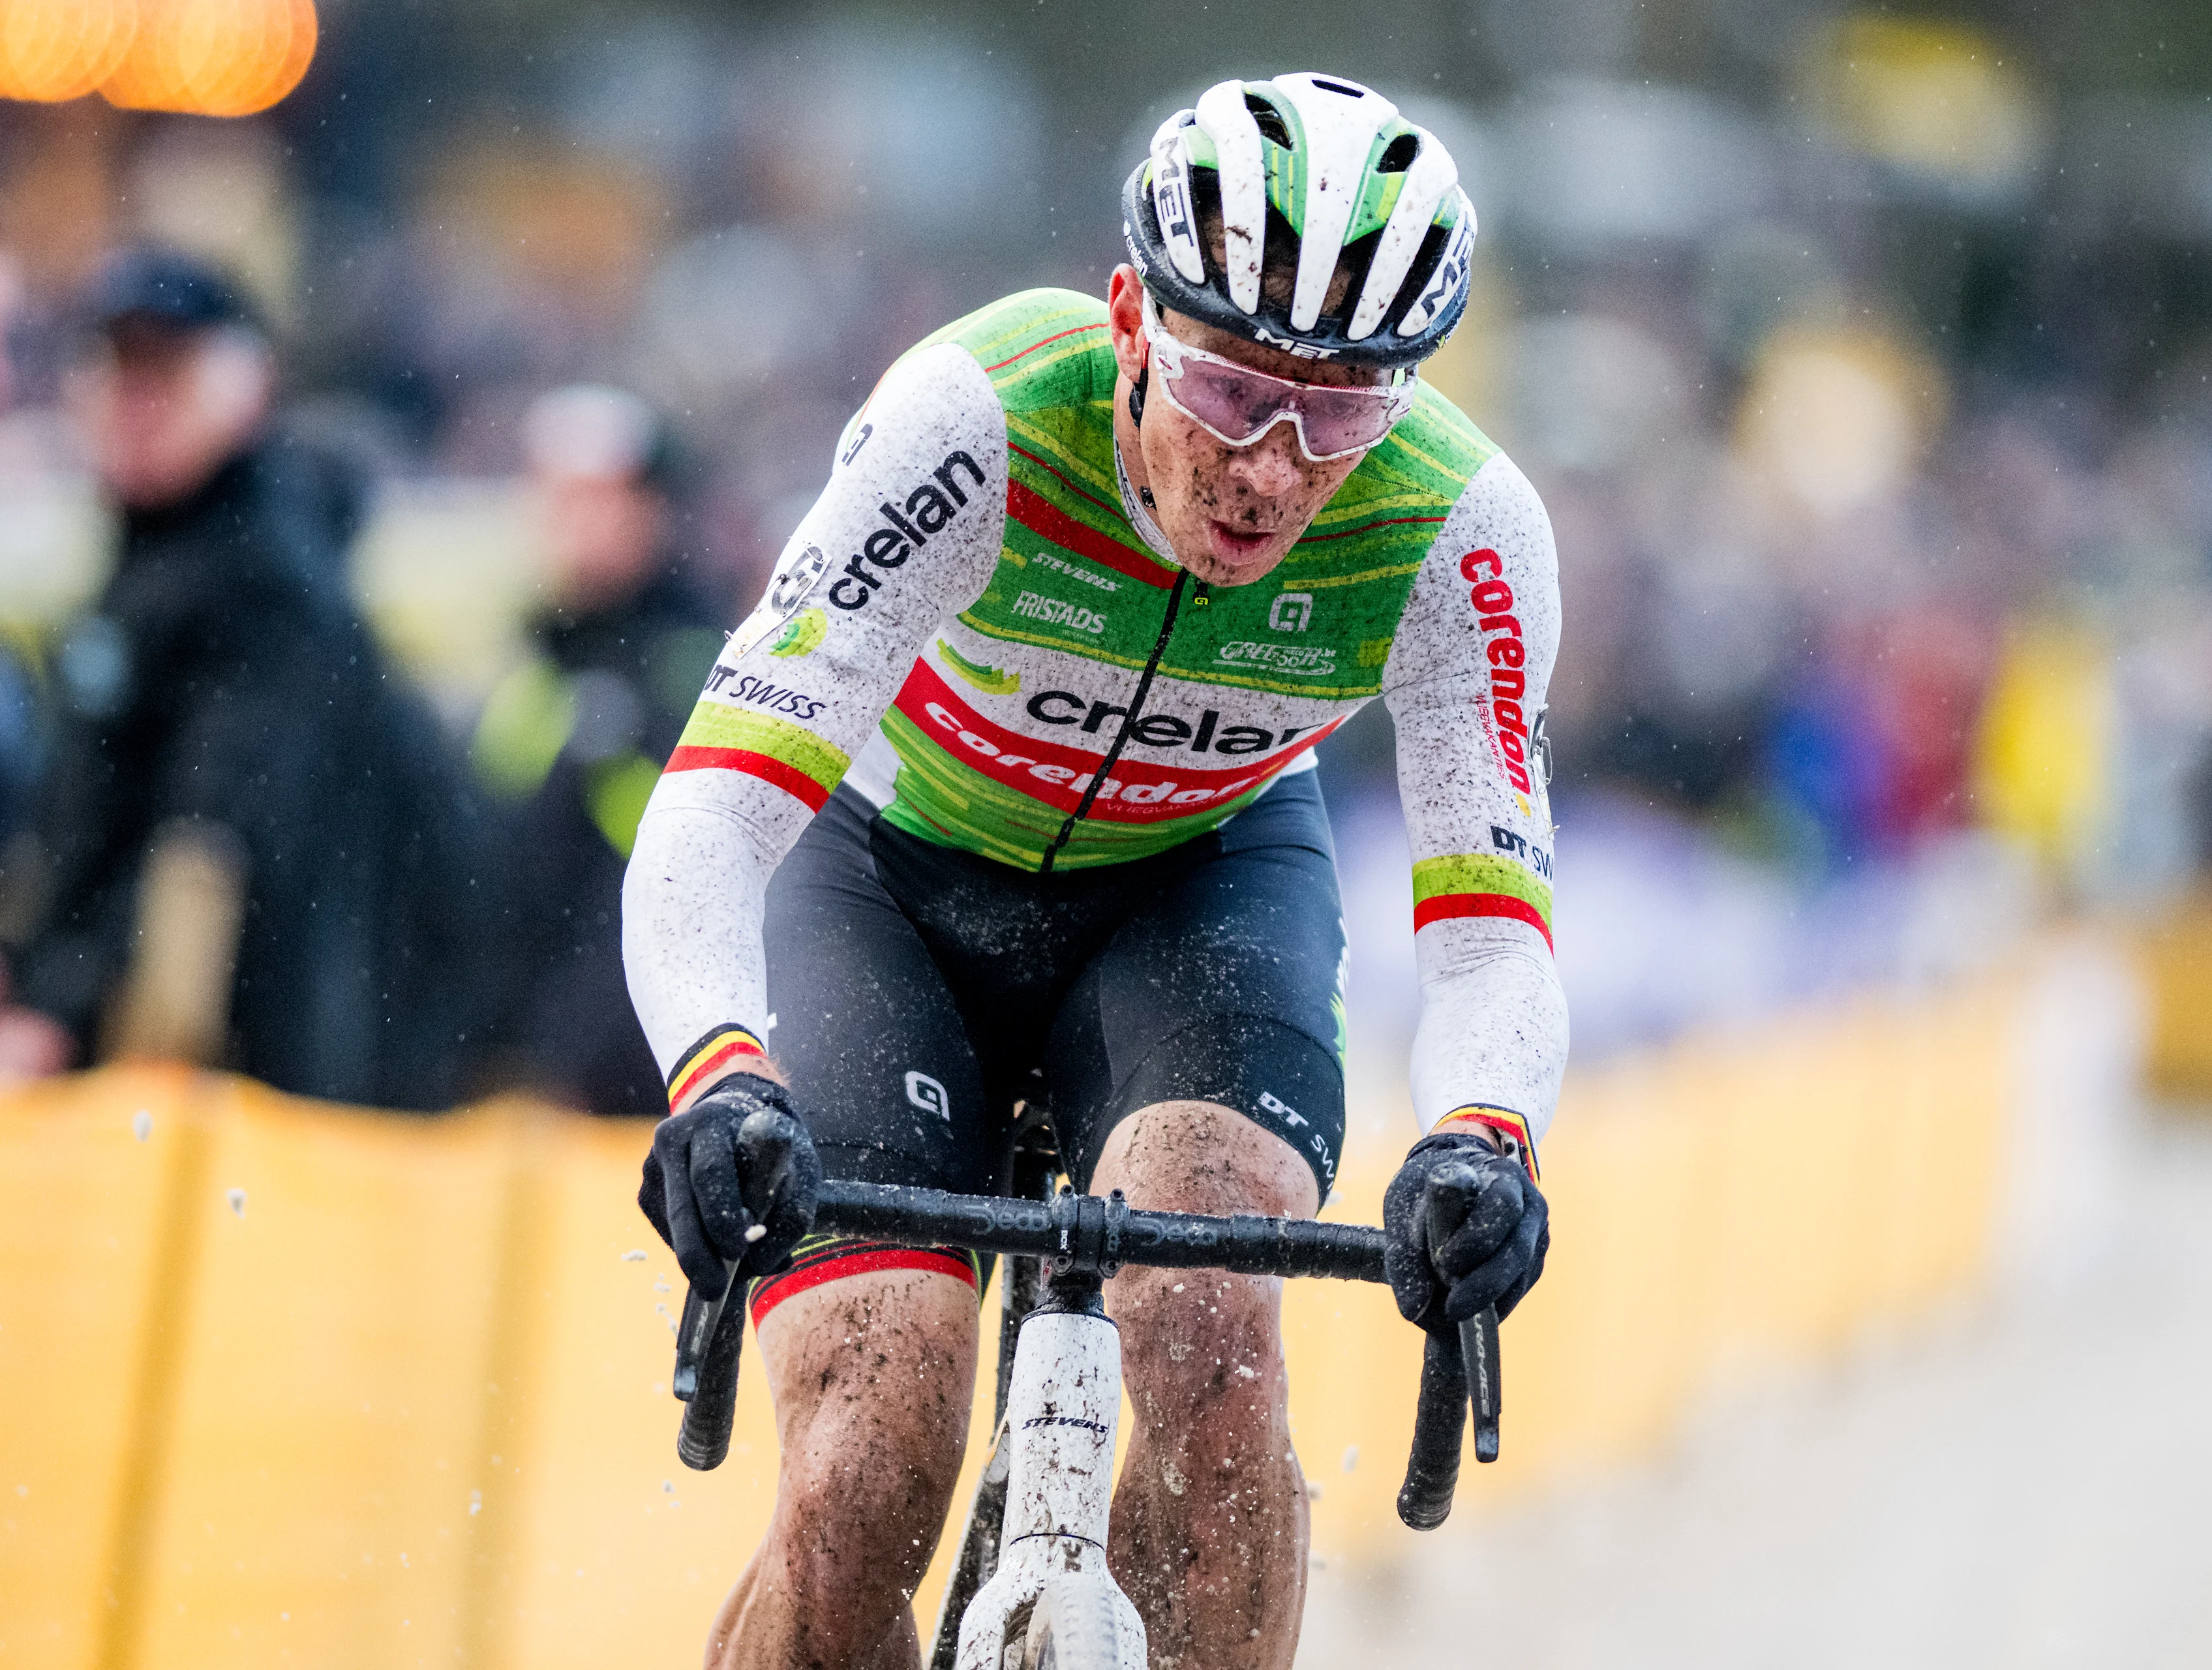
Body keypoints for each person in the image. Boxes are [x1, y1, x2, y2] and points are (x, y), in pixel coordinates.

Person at [626, 74, 1564, 1670]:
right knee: (870, 1445)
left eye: (1339, 410)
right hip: (889, 879)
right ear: (1129, 315)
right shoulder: (976, 418)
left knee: (1208, 1339)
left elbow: (1490, 928)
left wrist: (1484, 1137)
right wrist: (717, 1077)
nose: (1271, 465)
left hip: (1195, 891)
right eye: (1226, 386)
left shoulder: (1458, 526)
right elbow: (715, 806)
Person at [0, 249, 479, 1107]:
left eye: (167, 374)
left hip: (224, 1081)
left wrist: (61, 1011)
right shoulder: (159, 553)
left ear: (245, 385)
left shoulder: (262, 579)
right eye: (116, 371)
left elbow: (212, 840)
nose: (133, 402)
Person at [469, 385, 721, 1116]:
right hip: (509, 1090)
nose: (573, 519)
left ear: (654, 510)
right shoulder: (531, 671)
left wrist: (572, 1066)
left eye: (600, 496)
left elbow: (673, 880)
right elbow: (496, 874)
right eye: (557, 493)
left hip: (626, 1101)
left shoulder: (697, 673)